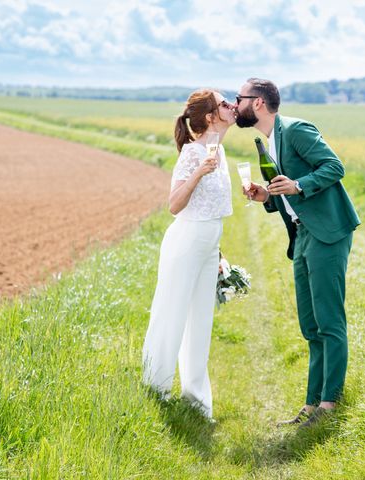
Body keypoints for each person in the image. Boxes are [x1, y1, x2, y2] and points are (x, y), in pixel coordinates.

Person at [235, 78, 360, 428]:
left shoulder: (296, 129)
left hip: (327, 233)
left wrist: (299, 185)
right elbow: (284, 191)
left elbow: (335, 167)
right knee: (310, 324)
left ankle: (329, 405)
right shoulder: (270, 141)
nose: (236, 103)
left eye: (239, 97)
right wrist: (269, 196)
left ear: (257, 103)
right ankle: (311, 404)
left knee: (329, 321)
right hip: (302, 236)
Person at [142, 89, 235, 419]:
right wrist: (199, 172)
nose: (233, 106)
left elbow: (211, 210)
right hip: (185, 244)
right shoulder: (193, 154)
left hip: (208, 245)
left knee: (201, 322)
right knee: (172, 314)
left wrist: (218, 252)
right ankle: (156, 390)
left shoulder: (220, 154)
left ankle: (197, 402)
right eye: (225, 104)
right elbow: (174, 205)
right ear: (211, 117)